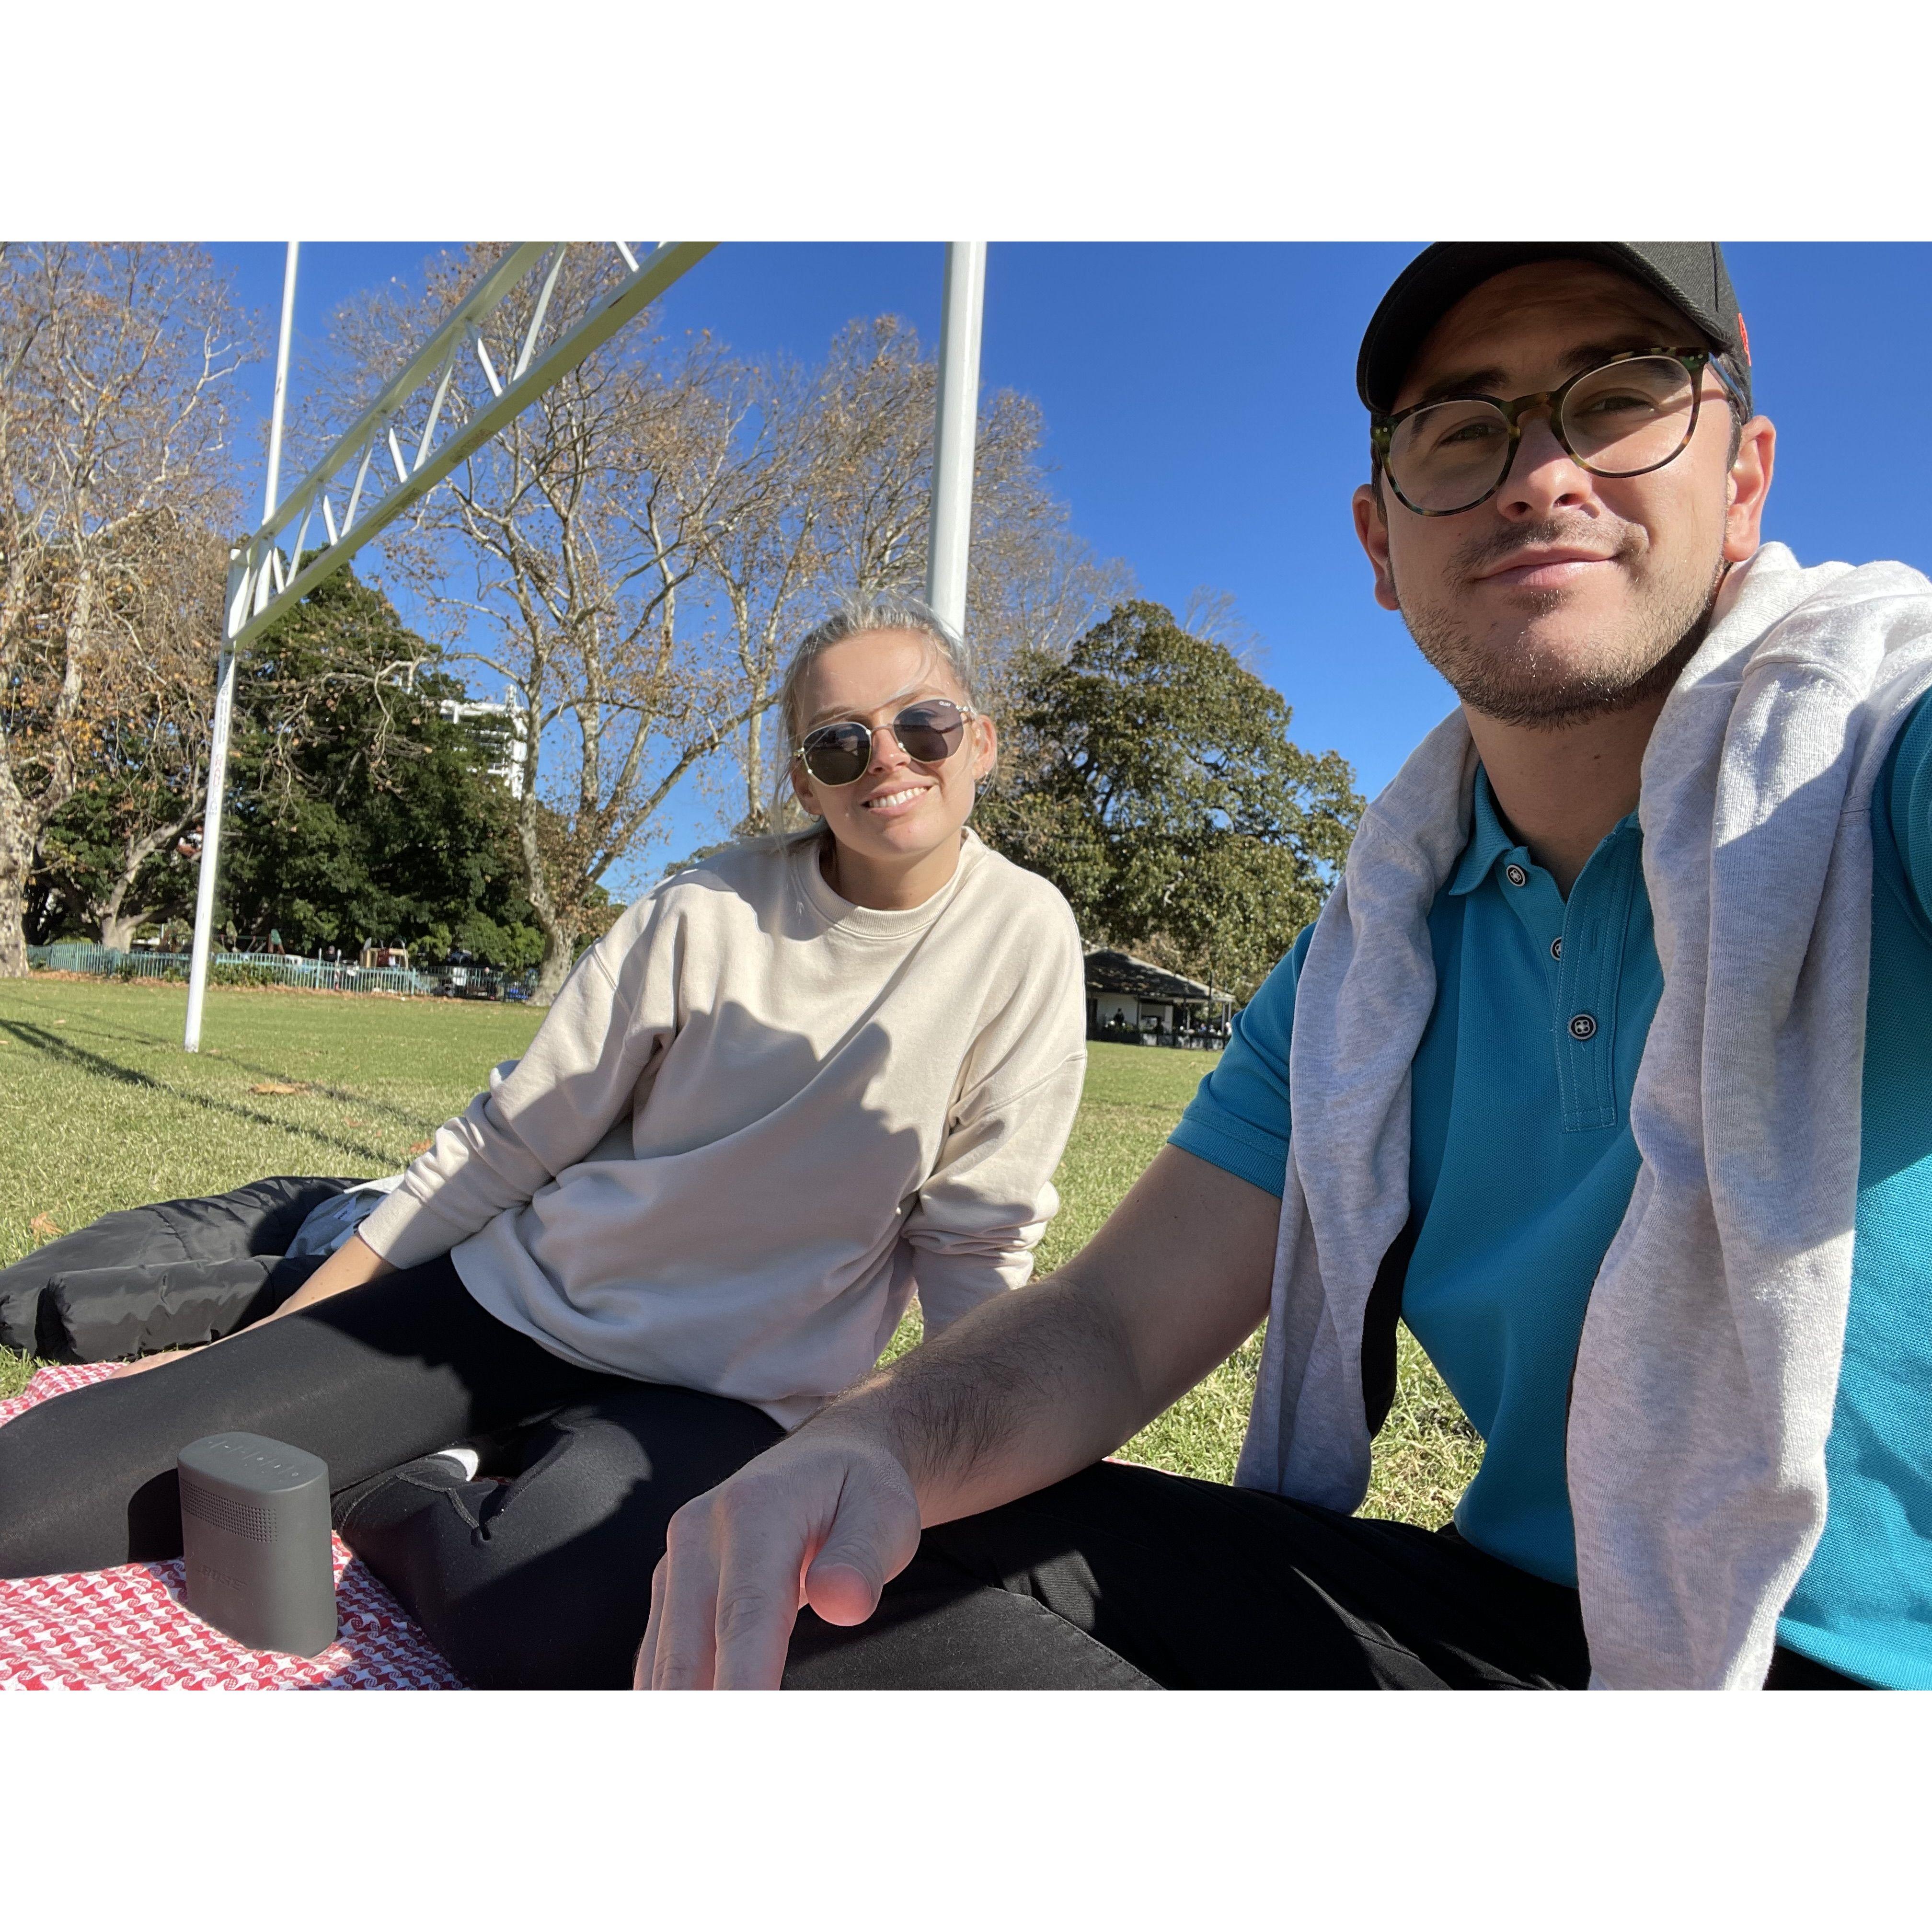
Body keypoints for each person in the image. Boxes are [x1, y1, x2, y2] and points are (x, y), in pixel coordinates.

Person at [638, 242, 1932, 1692]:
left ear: (1743, 480)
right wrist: (864, 1438)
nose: (1541, 474)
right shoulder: (1367, 963)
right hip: (1509, 1622)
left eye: (1620, 399)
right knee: (857, 1568)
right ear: (1381, 544)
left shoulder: (1880, 766)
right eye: (1466, 426)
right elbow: (1115, 1321)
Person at [0, 591, 1088, 1689]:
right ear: (804, 780)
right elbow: (513, 1139)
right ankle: (342, 1371)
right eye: (840, 741)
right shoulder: (703, 910)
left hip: (730, 1398)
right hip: (515, 1307)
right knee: (37, 1496)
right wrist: (281, 1340)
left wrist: (966, 1450)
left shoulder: (1025, 934)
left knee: (559, 1622)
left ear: (979, 739)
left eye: (923, 725)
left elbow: (975, 1241)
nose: (886, 760)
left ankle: (400, 1491)